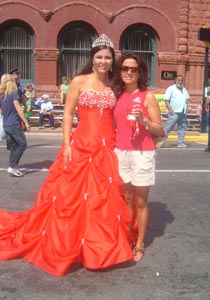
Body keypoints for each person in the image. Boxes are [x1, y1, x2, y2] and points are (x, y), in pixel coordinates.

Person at [0, 34, 133, 276]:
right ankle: (69, 243)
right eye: (99, 57)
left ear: (112, 60)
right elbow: (69, 113)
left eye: (107, 57)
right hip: (81, 144)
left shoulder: (114, 85)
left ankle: (101, 247)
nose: (103, 61)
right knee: (70, 196)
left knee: (103, 198)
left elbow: (120, 114)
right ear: (92, 59)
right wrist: (67, 143)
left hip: (106, 146)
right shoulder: (80, 81)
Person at [113, 52, 163, 262]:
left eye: (134, 69)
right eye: (125, 68)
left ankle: (140, 243)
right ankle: (126, 237)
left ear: (140, 72)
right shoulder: (117, 94)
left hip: (142, 152)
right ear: (120, 71)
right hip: (120, 152)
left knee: (141, 201)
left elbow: (159, 129)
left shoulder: (147, 96)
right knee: (126, 199)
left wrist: (143, 119)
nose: (129, 72)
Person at [0, 73, 31, 177]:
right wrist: (26, 122)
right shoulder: (14, 93)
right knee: (22, 144)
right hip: (13, 123)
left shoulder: (1, 95)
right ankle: (12, 167)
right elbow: (18, 109)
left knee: (14, 146)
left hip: (6, 124)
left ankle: (13, 166)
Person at [160, 75, 190, 148]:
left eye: (182, 80)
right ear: (175, 81)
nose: (180, 81)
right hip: (174, 112)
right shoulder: (171, 88)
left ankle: (180, 142)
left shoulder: (184, 89)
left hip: (182, 112)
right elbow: (166, 100)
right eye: (179, 80)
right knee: (168, 127)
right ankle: (161, 141)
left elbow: (187, 100)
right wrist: (170, 109)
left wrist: (189, 106)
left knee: (182, 128)